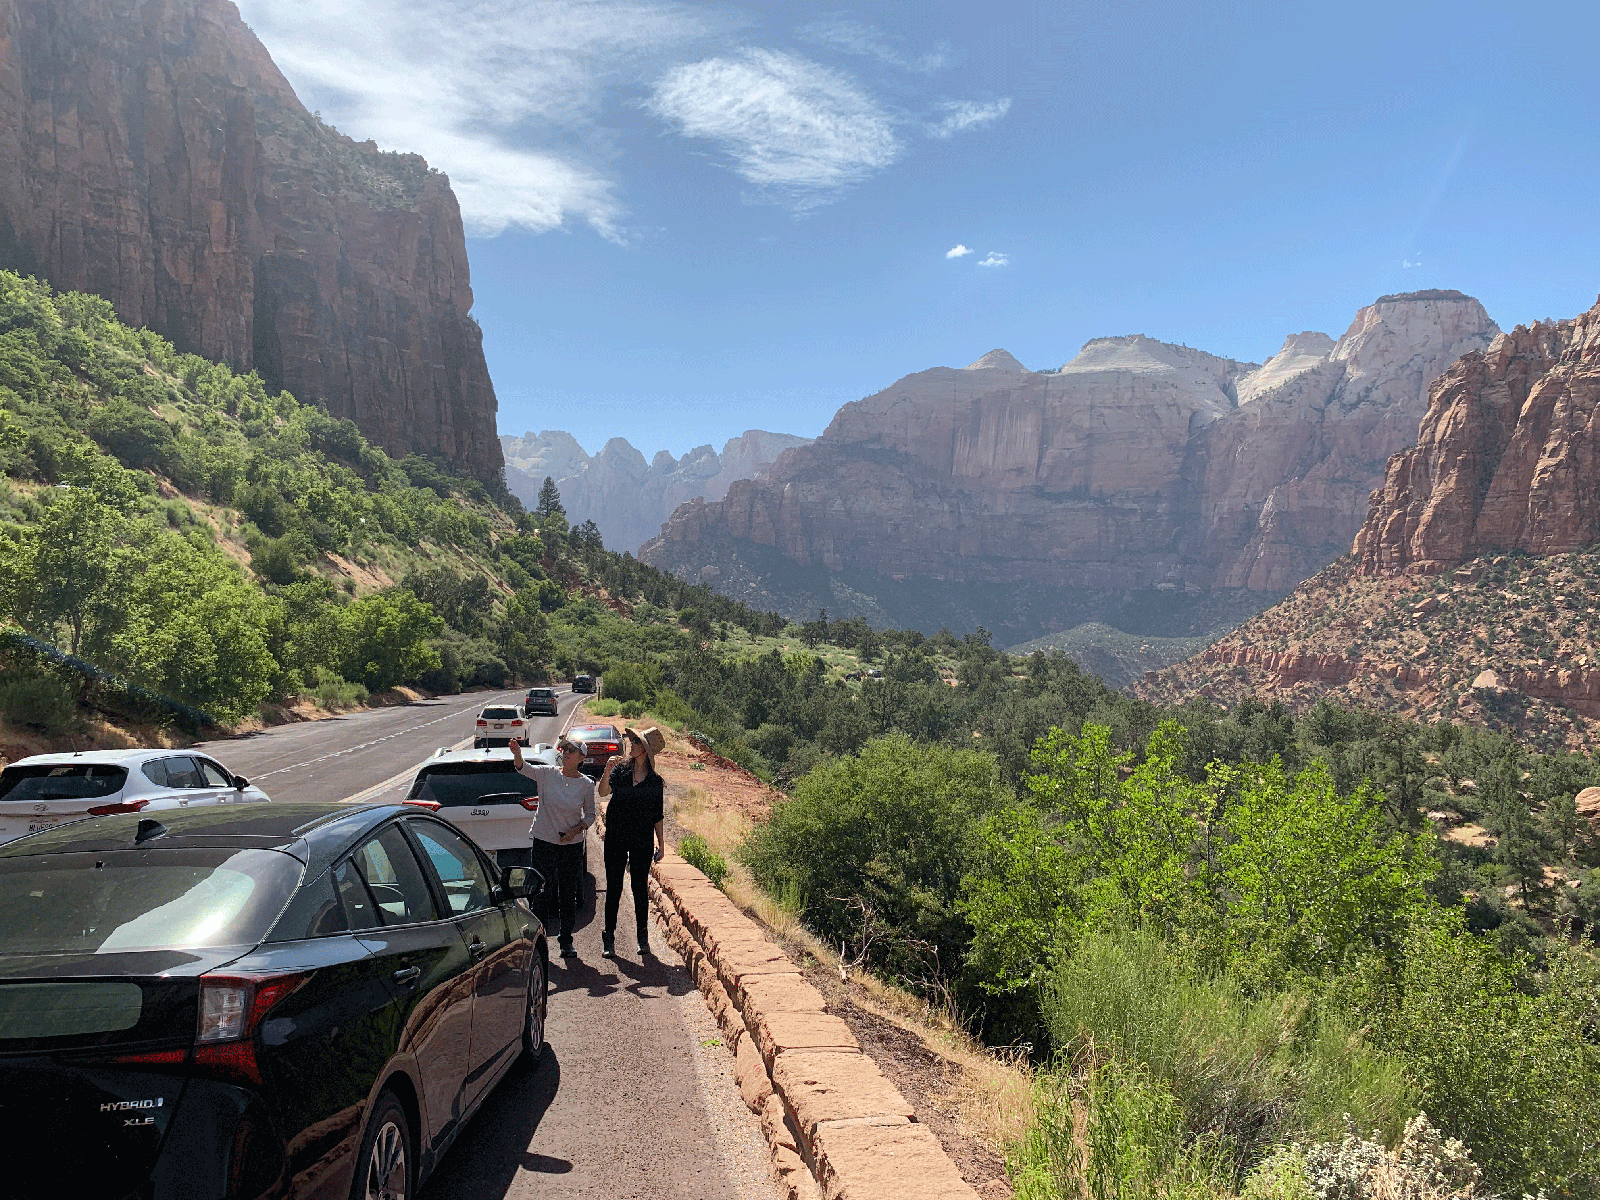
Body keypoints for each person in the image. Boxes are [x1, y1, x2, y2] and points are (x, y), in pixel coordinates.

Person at [512, 736, 596, 959]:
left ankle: (566, 941)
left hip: (571, 846)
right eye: (565, 749)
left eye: (572, 751)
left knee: (568, 894)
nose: (566, 753)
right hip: (544, 842)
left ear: (581, 758)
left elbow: (590, 816)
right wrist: (518, 755)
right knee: (541, 893)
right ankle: (540, 944)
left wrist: (575, 830)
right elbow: (524, 769)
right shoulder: (548, 773)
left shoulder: (586, 785)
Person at [596, 726, 666, 958]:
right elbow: (603, 792)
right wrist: (607, 769)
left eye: (636, 742)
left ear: (645, 751)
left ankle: (642, 938)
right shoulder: (621, 771)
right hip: (616, 835)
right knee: (614, 887)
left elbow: (657, 814)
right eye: (633, 741)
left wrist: (662, 844)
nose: (632, 745)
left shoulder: (655, 782)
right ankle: (609, 937)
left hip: (641, 838)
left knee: (639, 888)